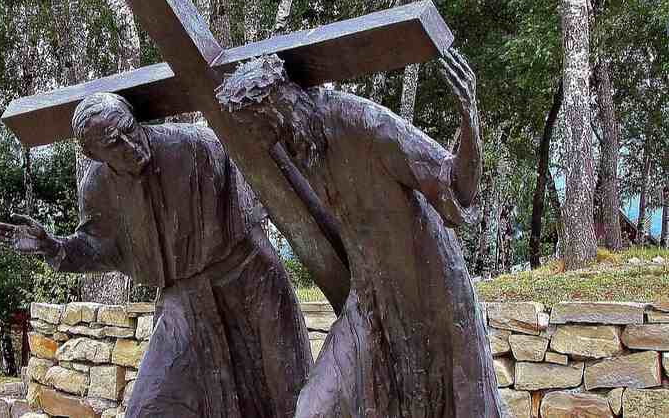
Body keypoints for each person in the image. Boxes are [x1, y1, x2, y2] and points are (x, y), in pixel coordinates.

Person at [215, 51, 504, 418]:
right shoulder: (296, 145)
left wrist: (469, 119)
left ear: (275, 109)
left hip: (430, 294)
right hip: (369, 302)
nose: (258, 139)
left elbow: (456, 185)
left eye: (256, 127)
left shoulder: (363, 123)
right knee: (313, 409)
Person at [0, 92, 311, 418]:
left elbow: (262, 196)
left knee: (290, 393)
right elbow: (96, 246)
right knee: (149, 405)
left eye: (129, 129)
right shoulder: (98, 188)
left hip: (250, 278)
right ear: (93, 153)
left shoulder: (197, 146)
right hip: (185, 300)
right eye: (114, 143)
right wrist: (53, 246)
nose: (131, 146)